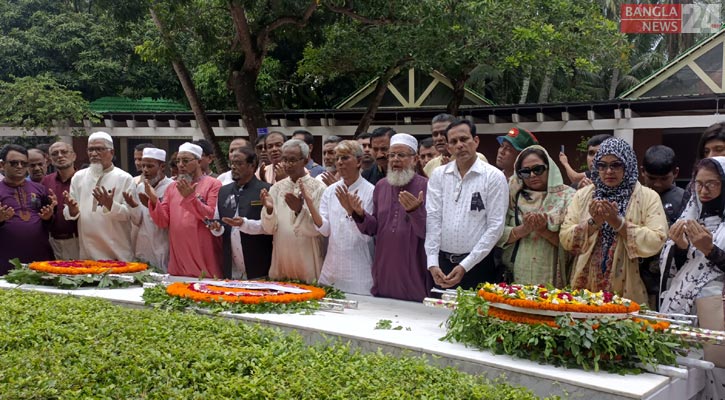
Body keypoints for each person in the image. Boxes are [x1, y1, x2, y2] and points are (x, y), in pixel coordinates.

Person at [560, 138, 668, 305]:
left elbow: (657, 239)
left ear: (628, 164)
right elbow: (565, 236)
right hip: (586, 286)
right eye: (602, 166)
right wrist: (593, 222)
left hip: (630, 286)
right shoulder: (583, 195)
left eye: (616, 165)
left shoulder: (648, 197)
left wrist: (618, 222)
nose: (608, 171)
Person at [659, 157, 725, 398]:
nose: (703, 191)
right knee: (683, 378)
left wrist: (711, 250)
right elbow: (680, 268)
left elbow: (711, 260)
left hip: (716, 314)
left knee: (714, 375)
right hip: (684, 311)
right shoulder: (692, 215)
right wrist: (679, 246)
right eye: (698, 183)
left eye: (712, 184)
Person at [426, 120, 509, 290]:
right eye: (454, 142)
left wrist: (466, 265)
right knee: (438, 315)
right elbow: (433, 220)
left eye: (464, 139)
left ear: (476, 141)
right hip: (442, 265)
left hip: (478, 265)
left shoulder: (493, 176)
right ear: (448, 148)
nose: (460, 145)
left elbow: (495, 227)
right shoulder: (439, 175)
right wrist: (432, 262)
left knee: (475, 315)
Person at [351, 133, 431, 301]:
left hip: (414, 263)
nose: (395, 160)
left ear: (415, 159)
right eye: (391, 155)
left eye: (401, 155)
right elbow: (374, 228)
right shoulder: (381, 186)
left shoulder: (427, 186)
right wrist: (359, 214)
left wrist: (415, 212)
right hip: (385, 262)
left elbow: (429, 233)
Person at [303, 141, 375, 295]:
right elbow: (325, 230)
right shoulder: (330, 191)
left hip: (359, 270)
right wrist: (311, 206)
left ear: (359, 162)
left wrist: (352, 212)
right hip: (332, 268)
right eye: (338, 159)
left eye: (345, 158)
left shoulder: (370, 191)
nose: (340, 163)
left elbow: (366, 237)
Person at [497, 145, 575, 286]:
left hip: (552, 275)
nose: (532, 175)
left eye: (537, 169)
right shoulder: (512, 196)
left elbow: (574, 242)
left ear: (549, 168)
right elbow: (496, 234)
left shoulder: (568, 197)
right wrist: (524, 229)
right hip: (516, 273)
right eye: (525, 172)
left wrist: (543, 230)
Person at [147, 142, 223, 278]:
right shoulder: (171, 187)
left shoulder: (213, 184)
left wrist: (190, 197)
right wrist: (154, 201)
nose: (180, 165)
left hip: (202, 251)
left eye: (185, 161)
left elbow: (211, 216)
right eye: (178, 161)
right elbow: (163, 222)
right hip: (179, 253)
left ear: (199, 161)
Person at [63, 131, 136, 261]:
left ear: (111, 153)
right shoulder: (79, 177)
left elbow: (129, 216)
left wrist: (110, 205)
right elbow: (71, 212)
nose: (94, 154)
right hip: (87, 252)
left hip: (117, 252)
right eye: (90, 150)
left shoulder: (125, 178)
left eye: (99, 149)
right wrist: (72, 211)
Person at [261, 139, 326, 282]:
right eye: (284, 160)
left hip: (307, 256)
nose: (287, 165)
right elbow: (268, 228)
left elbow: (318, 229)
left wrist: (299, 211)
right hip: (282, 258)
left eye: (292, 160)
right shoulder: (276, 188)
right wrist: (270, 210)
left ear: (305, 160)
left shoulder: (319, 188)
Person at [210, 147, 272, 279]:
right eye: (232, 163)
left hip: (258, 263)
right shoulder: (224, 191)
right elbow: (218, 221)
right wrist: (216, 227)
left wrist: (244, 224)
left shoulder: (266, 189)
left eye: (239, 164)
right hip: (231, 266)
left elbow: (271, 226)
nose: (233, 167)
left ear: (252, 165)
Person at [640, 145, 686, 308]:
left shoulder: (684, 199)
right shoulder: (636, 196)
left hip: (671, 276)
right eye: (652, 178)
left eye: (664, 178)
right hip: (637, 276)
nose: (657, 184)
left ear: (676, 173)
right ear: (642, 171)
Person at [0, 144, 55, 274]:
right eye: (14, 163)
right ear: (2, 165)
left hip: (39, 255)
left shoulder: (40, 189)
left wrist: (48, 218)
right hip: (6, 258)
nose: (19, 166)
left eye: (23, 163)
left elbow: (50, 222)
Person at [123, 147, 173, 272]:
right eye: (143, 166)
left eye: (150, 166)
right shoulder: (140, 187)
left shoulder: (172, 187)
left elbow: (169, 220)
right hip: (143, 245)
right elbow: (137, 220)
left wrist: (153, 203)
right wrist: (133, 205)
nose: (145, 170)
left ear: (162, 166)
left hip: (164, 244)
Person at [41, 141, 79, 260]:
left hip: (78, 240)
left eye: (64, 152)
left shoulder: (84, 179)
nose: (60, 156)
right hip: (53, 241)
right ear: (51, 160)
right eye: (55, 153)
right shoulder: (46, 181)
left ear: (74, 156)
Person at [423, 114, 489, 177]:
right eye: (435, 134)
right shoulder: (430, 165)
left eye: (443, 133)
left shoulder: (478, 158)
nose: (439, 138)